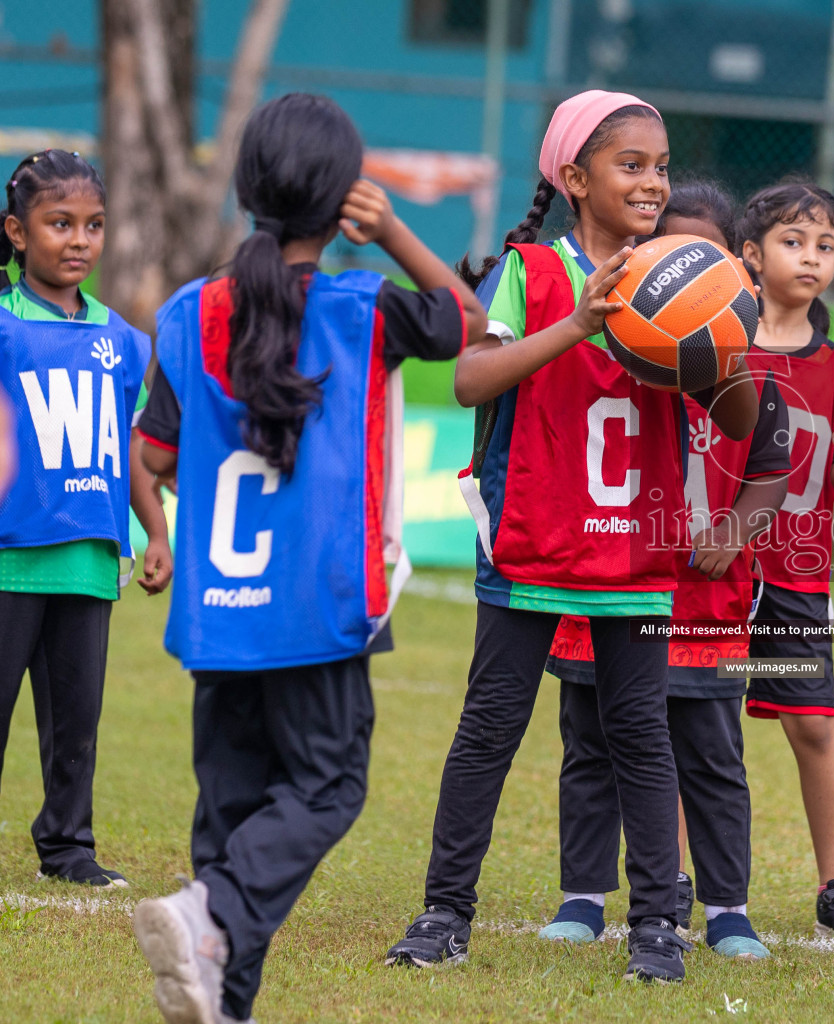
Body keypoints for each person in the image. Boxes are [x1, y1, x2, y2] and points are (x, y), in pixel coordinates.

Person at [384, 91, 758, 984]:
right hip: (534, 538)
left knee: (641, 734)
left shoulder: (678, 273)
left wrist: (718, 347)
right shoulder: (530, 270)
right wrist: (582, 324)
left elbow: (740, 418)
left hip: (634, 553)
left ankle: (658, 925)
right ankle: (444, 911)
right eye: (632, 165)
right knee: (490, 730)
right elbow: (472, 379)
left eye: (661, 167)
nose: (652, 181)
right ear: (575, 177)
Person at [129, 93, 484, 1024]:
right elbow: (467, 323)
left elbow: (156, 457)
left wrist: (171, 520)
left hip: (218, 615)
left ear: (248, 190)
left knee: (233, 822)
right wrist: (397, 229)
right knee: (326, 789)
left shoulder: (186, 313)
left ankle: (219, 990)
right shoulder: (360, 309)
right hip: (317, 608)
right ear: (343, 203)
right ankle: (210, 919)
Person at [539, 182, 789, 960]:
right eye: (663, 257)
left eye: (699, 259)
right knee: (591, 746)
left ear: (733, 268)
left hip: (703, 603)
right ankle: (583, 895)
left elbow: (770, 466)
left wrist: (735, 527)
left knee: (712, 758)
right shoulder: (610, 360)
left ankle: (727, 909)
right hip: (606, 589)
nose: (677, 275)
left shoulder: (740, 369)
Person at [0, 148, 171, 890]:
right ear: (16, 231)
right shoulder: (4, 324)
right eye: (58, 223)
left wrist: (155, 530)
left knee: (76, 720)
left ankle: (68, 846)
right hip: (11, 558)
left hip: (91, 558)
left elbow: (131, 445)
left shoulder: (125, 340)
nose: (78, 240)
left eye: (93, 225)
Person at [737, 181, 834, 938]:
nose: (812, 257)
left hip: (795, 573)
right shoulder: (710, 352)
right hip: (715, 572)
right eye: (795, 241)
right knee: (696, 724)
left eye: (826, 245)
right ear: (751, 256)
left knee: (814, 727)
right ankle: (681, 873)